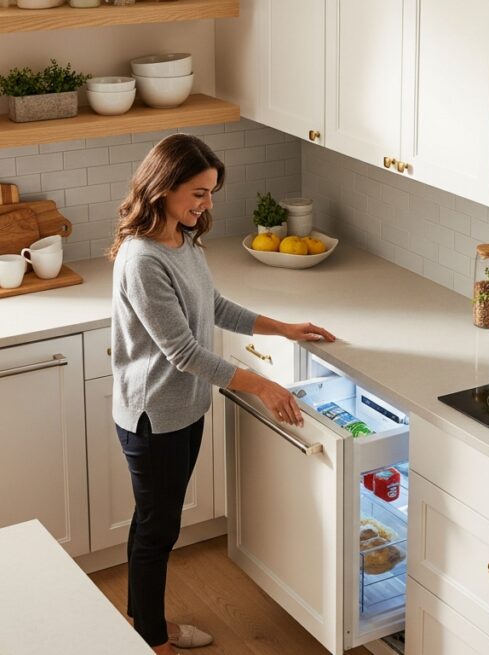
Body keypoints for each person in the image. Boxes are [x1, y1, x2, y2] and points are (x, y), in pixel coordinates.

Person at [107, 133, 335, 654]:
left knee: (153, 521)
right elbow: (184, 352)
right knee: (158, 528)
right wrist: (262, 385)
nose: (207, 204)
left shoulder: (181, 239)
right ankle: (153, 639)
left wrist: (285, 328)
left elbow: (212, 305)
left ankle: (139, 624)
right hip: (153, 416)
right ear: (163, 188)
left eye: (211, 193)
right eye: (198, 193)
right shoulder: (143, 260)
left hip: (183, 408)